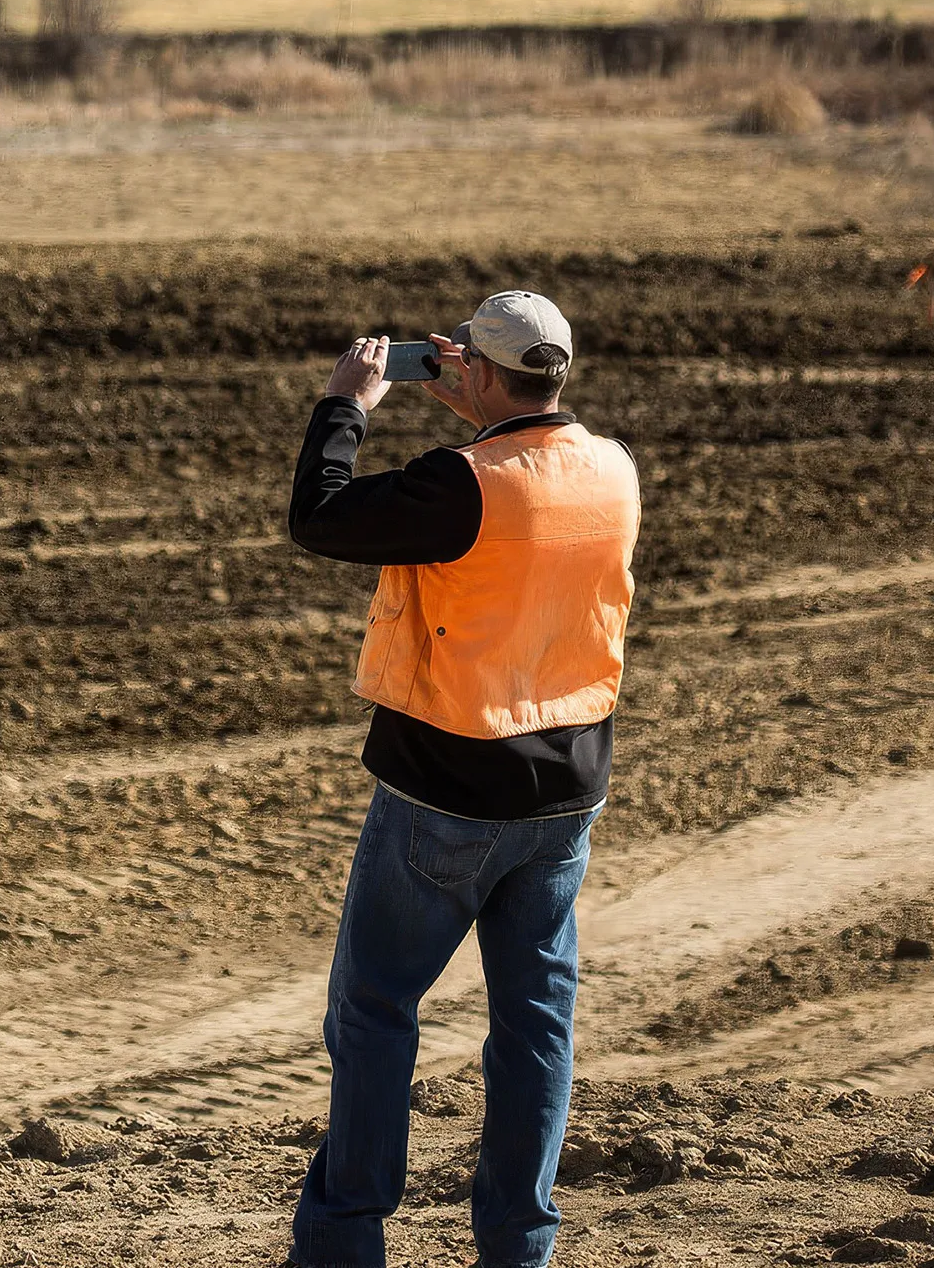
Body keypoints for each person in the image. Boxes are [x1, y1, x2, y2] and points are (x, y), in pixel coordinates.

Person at [284, 291, 641, 1268]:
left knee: (373, 1011)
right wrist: (486, 415)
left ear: (479, 369)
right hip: (566, 793)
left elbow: (319, 517)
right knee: (535, 1021)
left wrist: (347, 404)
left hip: (446, 792)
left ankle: (344, 1243)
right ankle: (519, 1248)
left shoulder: (460, 484)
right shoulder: (614, 469)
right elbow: (530, 497)